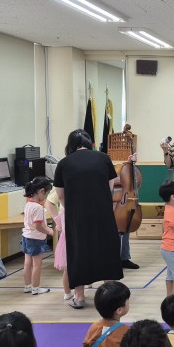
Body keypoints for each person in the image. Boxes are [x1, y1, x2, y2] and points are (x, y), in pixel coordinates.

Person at [53, 129, 123, 309]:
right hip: (102, 213)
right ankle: (111, 294)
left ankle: (79, 297)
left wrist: (75, 209)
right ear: (89, 143)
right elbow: (110, 188)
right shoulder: (103, 158)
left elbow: (60, 196)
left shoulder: (63, 163)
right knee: (106, 248)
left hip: (77, 215)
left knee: (79, 252)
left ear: (71, 145)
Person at [21, 177, 54, 296]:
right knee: (37, 264)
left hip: (26, 236)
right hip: (35, 238)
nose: (46, 196)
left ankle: (27, 286)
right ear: (41, 191)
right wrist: (49, 231)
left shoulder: (28, 203)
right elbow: (38, 226)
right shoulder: (38, 207)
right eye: (47, 193)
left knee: (27, 263)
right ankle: (36, 288)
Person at [45, 188, 73, 301]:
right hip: (68, 222)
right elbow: (49, 202)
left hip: (73, 222)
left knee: (72, 263)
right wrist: (58, 221)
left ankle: (72, 292)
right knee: (69, 263)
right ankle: (69, 292)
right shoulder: (62, 183)